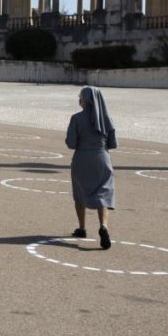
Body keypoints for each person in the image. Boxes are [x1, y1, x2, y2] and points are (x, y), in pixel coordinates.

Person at [65, 86, 117, 249]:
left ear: (84, 101)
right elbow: (113, 144)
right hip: (102, 158)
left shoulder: (76, 118)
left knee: (80, 193)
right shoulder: (107, 119)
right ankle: (104, 226)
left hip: (82, 159)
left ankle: (82, 228)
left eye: (80, 97)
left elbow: (71, 144)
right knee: (103, 193)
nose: (79, 100)